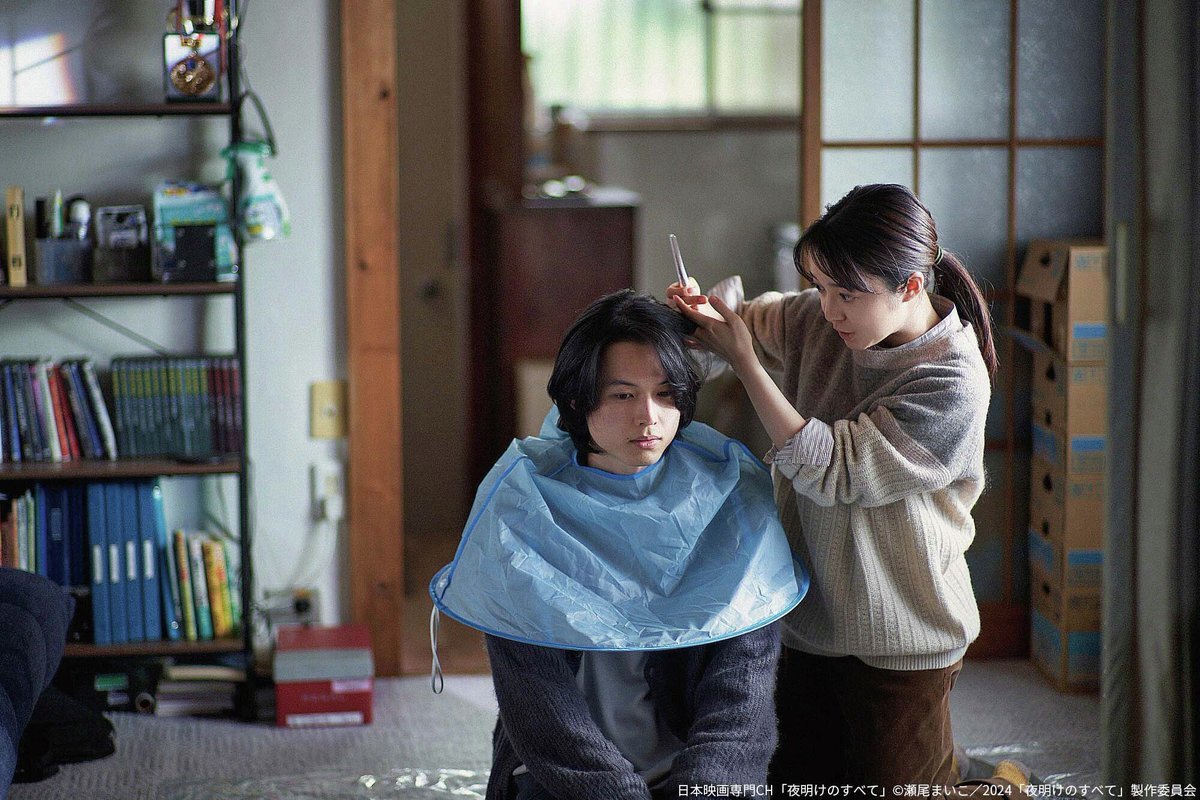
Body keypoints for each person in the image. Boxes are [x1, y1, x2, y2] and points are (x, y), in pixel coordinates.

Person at [668, 183, 1029, 791]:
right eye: (820, 287)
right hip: (807, 616)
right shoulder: (820, 318)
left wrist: (747, 363)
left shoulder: (952, 380)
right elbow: (745, 323)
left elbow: (834, 470)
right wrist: (704, 317)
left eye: (847, 294)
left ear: (909, 286)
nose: (829, 310)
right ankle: (952, 765)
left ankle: (995, 782)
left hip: (905, 632)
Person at [429, 290, 807, 800]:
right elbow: (543, 714)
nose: (649, 417)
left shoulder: (733, 498)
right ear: (576, 400)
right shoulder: (522, 509)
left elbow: (740, 707)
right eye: (624, 395)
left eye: (666, 393)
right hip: (566, 779)